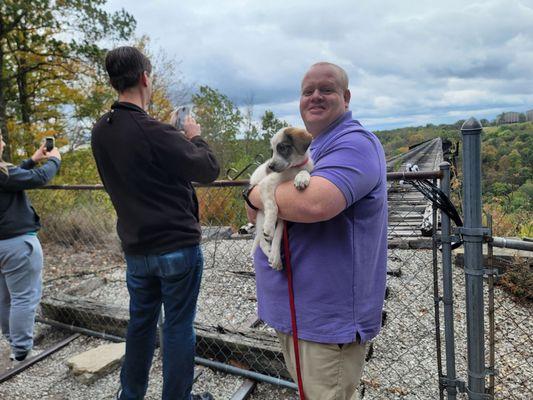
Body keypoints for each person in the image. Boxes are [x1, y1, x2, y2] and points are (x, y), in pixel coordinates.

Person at [244, 62, 388, 400]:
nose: (315, 96)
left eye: (326, 89)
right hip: (297, 315)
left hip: (326, 322)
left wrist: (253, 192)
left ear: (346, 97)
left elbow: (314, 205)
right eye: (308, 91)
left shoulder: (355, 144)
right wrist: (261, 199)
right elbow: (256, 218)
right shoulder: (313, 149)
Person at [91, 47, 219, 400]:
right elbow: (208, 169)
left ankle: (129, 395)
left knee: (141, 325)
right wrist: (192, 135)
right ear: (146, 77)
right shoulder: (153, 130)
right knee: (177, 328)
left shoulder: (101, 129)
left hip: (136, 248)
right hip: (176, 246)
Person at [0, 131, 61, 363]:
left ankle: (12, 339)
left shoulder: (4, 175)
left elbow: (13, 179)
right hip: (17, 245)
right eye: (0, 138)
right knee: (24, 297)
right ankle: (22, 350)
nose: (4, 142)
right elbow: (37, 178)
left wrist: (33, 159)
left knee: (5, 297)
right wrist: (54, 159)